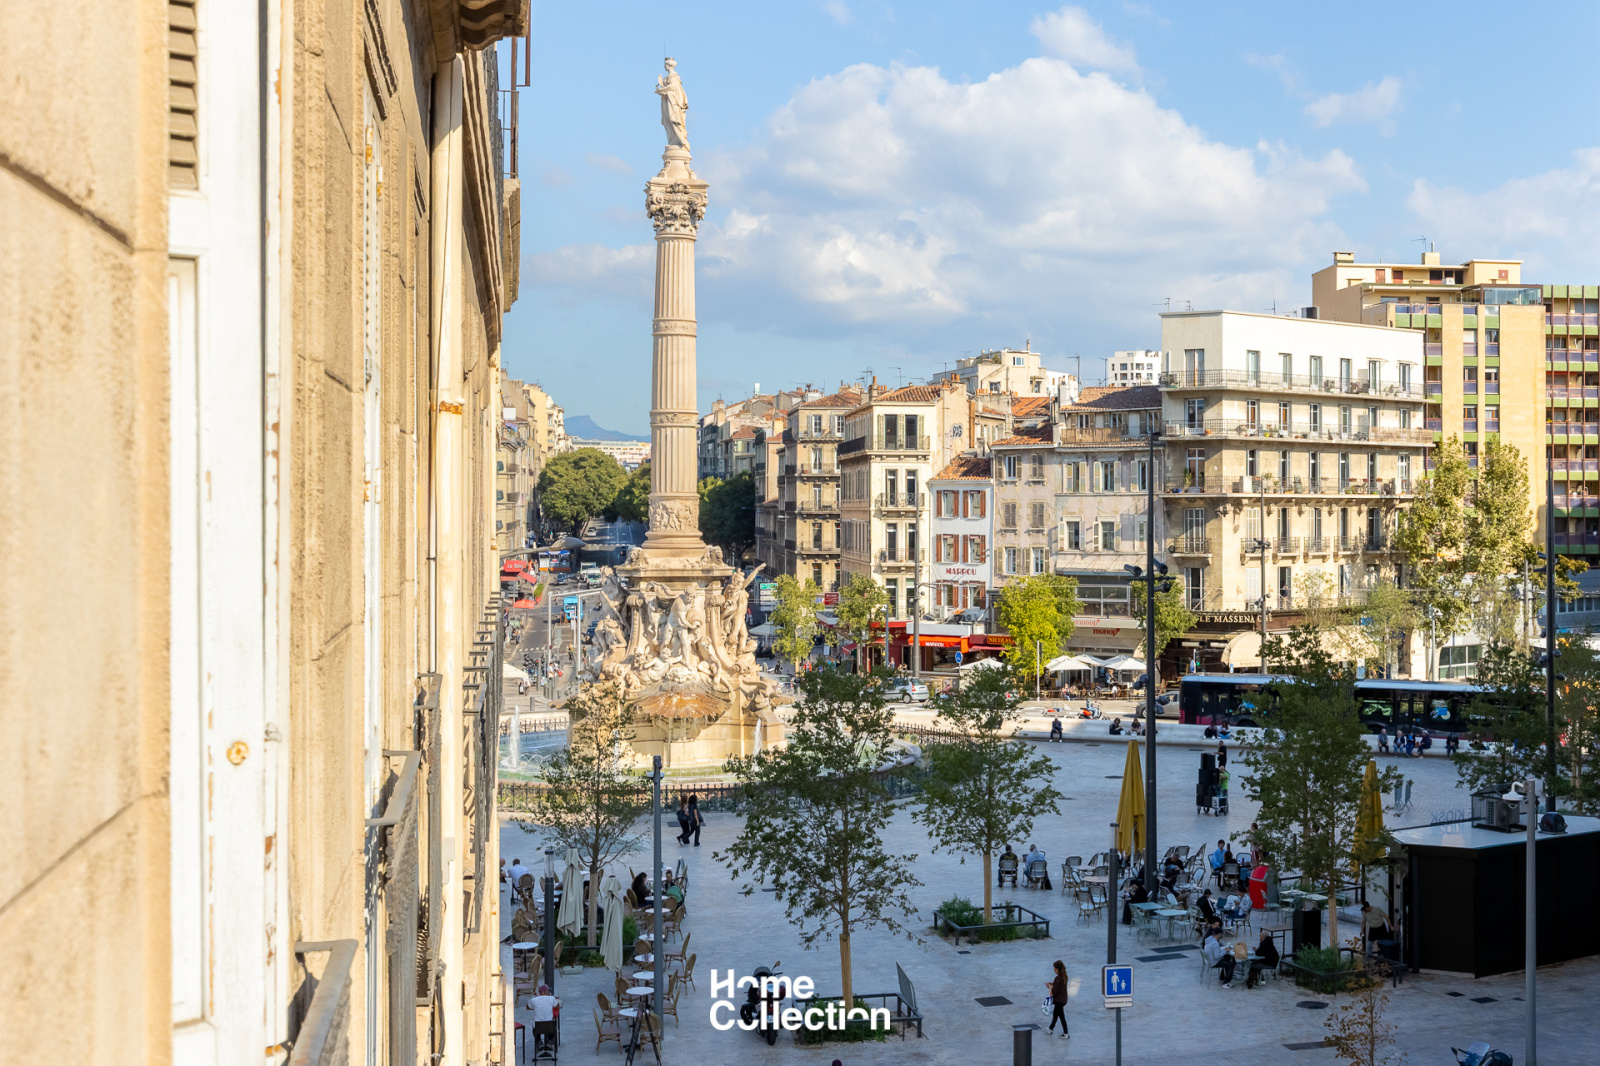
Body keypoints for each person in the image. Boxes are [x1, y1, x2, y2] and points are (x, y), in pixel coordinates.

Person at [528, 984, 560, 1055]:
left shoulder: (534, 1000)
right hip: (550, 1027)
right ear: (544, 991)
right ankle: (549, 1040)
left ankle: (539, 1041)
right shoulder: (552, 998)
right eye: (548, 990)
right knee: (552, 1023)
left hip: (538, 1027)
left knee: (534, 1025)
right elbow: (557, 1006)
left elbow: (528, 1006)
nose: (549, 992)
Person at [1045, 960, 1070, 1039]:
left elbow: (1054, 991)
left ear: (1058, 969)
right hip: (1063, 999)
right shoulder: (1064, 977)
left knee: (1061, 1016)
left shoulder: (1057, 978)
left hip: (1059, 1000)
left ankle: (1066, 1033)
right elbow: (1059, 986)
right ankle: (1050, 1028)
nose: (1054, 970)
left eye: (1055, 968)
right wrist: (1053, 984)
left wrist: (1049, 987)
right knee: (1056, 1014)